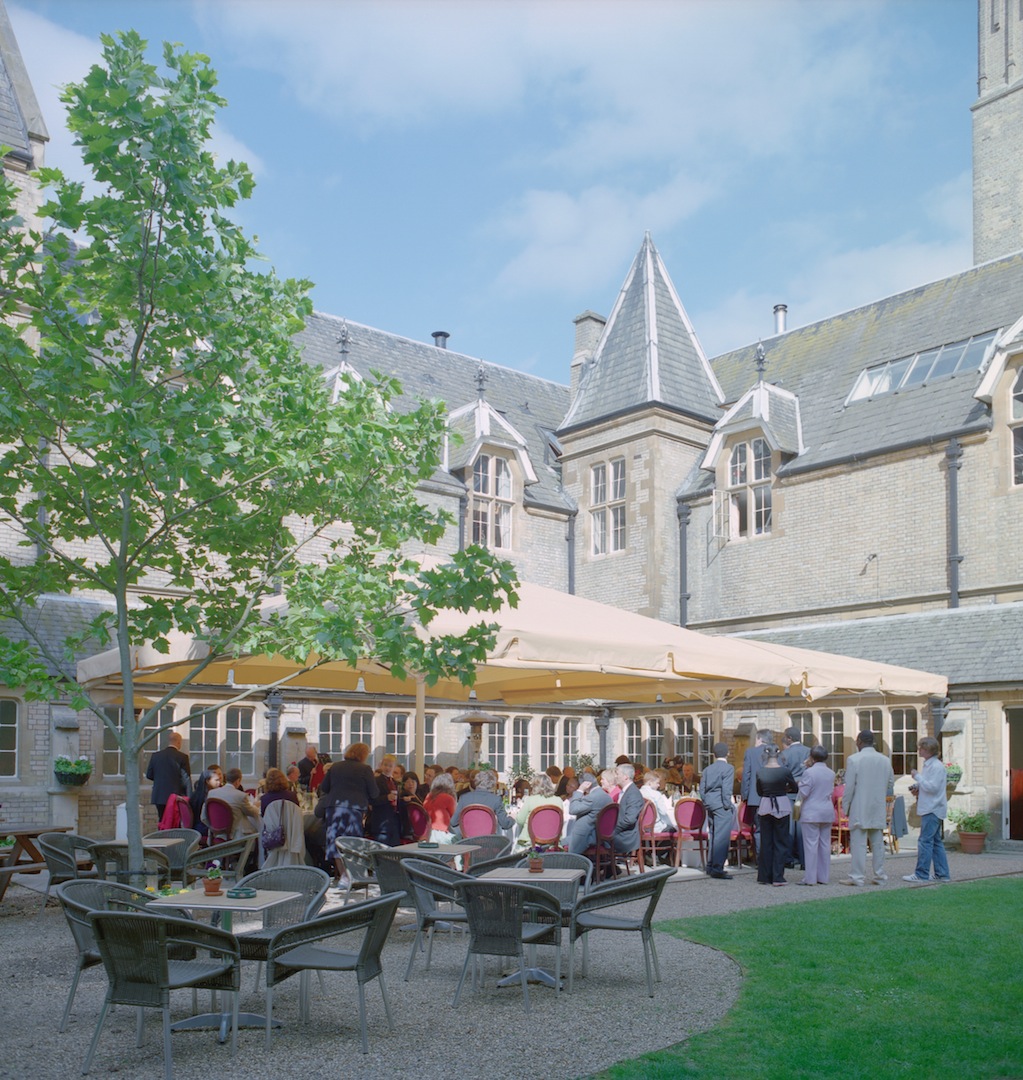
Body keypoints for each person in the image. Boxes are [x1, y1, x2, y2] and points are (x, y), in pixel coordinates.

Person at [316, 741, 379, 889]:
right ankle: (353, 874)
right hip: (354, 808)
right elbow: (374, 793)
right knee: (352, 842)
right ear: (363, 755)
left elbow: (324, 787)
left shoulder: (336, 766)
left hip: (334, 807)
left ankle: (343, 876)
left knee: (335, 841)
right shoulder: (365, 769)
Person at [840, 730, 895, 886]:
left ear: (859, 742)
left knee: (859, 843)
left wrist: (846, 807)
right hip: (877, 804)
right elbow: (890, 783)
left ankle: (857, 877)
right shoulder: (884, 760)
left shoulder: (854, 760)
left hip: (859, 804)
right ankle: (880, 875)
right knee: (878, 843)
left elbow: (849, 788)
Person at [903, 736, 952, 883]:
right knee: (935, 842)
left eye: (921, 748)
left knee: (925, 841)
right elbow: (929, 785)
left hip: (933, 808)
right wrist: (918, 788)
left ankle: (921, 874)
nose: (919, 750)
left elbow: (933, 787)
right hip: (930, 807)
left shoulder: (936, 766)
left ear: (928, 750)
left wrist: (917, 777)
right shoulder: (929, 765)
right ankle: (942, 874)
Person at [755, 745, 798, 886]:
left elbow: (759, 791)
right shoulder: (784, 771)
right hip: (781, 803)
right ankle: (778, 876)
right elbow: (795, 788)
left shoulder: (760, 771)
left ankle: (764, 876)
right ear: (778, 755)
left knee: (766, 841)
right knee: (780, 841)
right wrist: (784, 789)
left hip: (766, 804)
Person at [797, 745, 836, 885]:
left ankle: (810, 878)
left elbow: (804, 793)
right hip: (826, 810)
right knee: (825, 845)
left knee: (810, 845)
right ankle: (823, 877)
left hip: (812, 811)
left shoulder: (809, 772)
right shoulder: (831, 773)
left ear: (812, 758)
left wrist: (801, 780)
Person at [700, 743, 735, 879]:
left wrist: (706, 802)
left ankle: (710, 865)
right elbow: (727, 790)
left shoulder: (708, 769)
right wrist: (728, 805)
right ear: (727, 753)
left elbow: (702, 789)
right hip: (721, 804)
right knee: (721, 837)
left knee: (713, 835)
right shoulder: (728, 768)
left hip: (710, 803)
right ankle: (717, 868)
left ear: (714, 755)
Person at [779, 727, 811, 868]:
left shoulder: (785, 753)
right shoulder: (808, 752)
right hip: (803, 794)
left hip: (789, 793)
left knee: (790, 828)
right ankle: (804, 860)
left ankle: (789, 859)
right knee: (801, 828)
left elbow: (781, 774)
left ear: (789, 738)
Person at [145, 730, 191, 823]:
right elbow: (186, 779)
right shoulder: (182, 757)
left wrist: (160, 779)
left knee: (162, 820)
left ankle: (161, 836)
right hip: (176, 796)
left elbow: (149, 775)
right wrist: (189, 796)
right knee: (175, 821)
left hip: (159, 795)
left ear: (169, 741)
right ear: (179, 742)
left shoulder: (156, 756)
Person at [451, 769, 515, 833]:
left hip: (467, 840)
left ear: (476, 782)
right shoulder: (496, 799)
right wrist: (512, 818)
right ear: (493, 784)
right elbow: (505, 824)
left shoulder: (464, 798)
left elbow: (453, 822)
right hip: (488, 840)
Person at [204, 766, 259, 839]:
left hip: (215, 836)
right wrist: (255, 806)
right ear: (238, 781)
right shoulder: (240, 796)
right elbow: (253, 813)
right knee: (257, 831)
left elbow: (203, 817)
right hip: (234, 838)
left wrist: (214, 829)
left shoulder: (211, 793)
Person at [567, 770, 614, 855]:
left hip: (586, 837)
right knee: (563, 841)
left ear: (586, 784)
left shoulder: (592, 797)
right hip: (601, 836)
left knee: (559, 843)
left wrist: (580, 790)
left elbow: (572, 809)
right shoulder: (607, 797)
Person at [514, 773, 562, 848]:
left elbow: (520, 821)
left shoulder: (530, 800)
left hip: (530, 841)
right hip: (552, 842)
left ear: (535, 786)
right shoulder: (558, 800)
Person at [612, 763, 644, 868]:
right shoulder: (625, 792)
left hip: (626, 835)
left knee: (591, 837)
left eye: (617, 774)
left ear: (626, 776)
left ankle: (597, 870)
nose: (615, 776)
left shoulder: (633, 794)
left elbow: (629, 820)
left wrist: (612, 829)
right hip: (621, 832)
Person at [367, 754, 401, 846]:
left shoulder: (395, 782)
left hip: (394, 823)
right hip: (381, 823)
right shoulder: (376, 781)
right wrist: (386, 798)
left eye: (390, 766)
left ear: (394, 767)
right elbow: (371, 800)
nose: (387, 768)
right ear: (381, 765)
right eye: (385, 765)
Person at [189, 764, 224, 842]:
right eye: (216, 780)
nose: (219, 783)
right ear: (208, 781)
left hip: (196, 827)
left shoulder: (196, 794)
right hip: (204, 829)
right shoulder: (208, 798)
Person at [423, 771, 457, 843]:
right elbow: (454, 819)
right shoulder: (448, 798)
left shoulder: (429, 796)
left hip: (427, 834)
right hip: (442, 835)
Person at [641, 769, 676, 835]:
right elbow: (663, 812)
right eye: (657, 783)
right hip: (655, 827)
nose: (659, 785)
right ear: (650, 782)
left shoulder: (637, 793)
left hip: (640, 828)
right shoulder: (656, 794)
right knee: (674, 829)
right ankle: (662, 844)